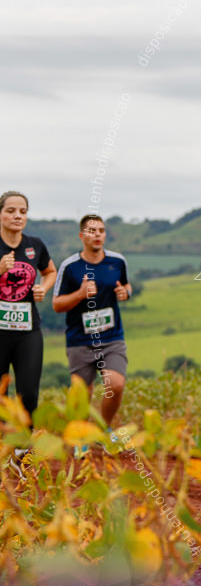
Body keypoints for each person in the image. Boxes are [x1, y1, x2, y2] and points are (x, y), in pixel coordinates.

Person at [53, 214, 132, 454]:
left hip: (111, 338)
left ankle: (103, 430)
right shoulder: (70, 266)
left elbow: (126, 285)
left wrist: (125, 293)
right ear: (81, 236)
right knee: (82, 393)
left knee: (115, 384)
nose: (97, 234)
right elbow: (57, 304)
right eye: (91, 230)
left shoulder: (117, 261)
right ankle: (80, 438)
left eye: (101, 230)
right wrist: (79, 294)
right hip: (80, 340)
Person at [0, 191, 57, 476]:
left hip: (27, 329)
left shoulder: (35, 245)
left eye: (22, 211)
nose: (17, 216)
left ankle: (21, 458)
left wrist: (42, 289)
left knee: (29, 395)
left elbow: (50, 271)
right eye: (11, 210)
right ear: (1, 214)